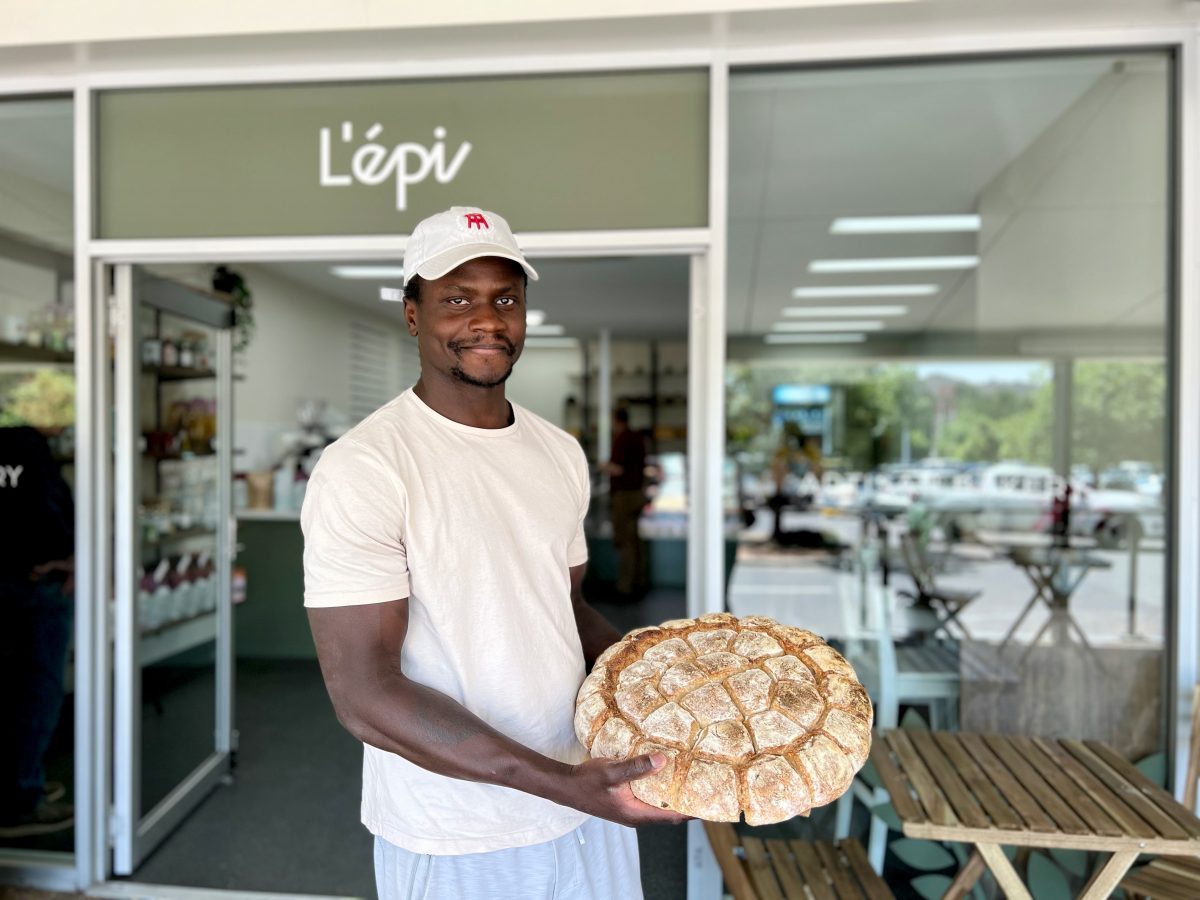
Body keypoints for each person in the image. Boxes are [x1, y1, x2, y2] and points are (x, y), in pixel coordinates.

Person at [302, 207, 686, 900]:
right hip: (459, 829)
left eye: (505, 298)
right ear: (414, 316)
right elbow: (362, 693)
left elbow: (561, 608)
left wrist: (668, 683)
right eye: (457, 299)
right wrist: (560, 784)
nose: (487, 318)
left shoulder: (558, 452)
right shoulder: (365, 466)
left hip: (588, 800)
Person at [0, 425, 75, 838]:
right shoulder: (22, 445)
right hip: (32, 584)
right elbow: (48, 510)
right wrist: (69, 557)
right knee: (35, 690)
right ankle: (19, 799)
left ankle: (16, 782)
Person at [601, 408, 647, 598]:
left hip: (624, 496)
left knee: (624, 541)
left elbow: (618, 469)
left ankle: (625, 586)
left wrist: (603, 466)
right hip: (637, 494)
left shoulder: (622, 440)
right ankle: (639, 580)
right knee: (635, 540)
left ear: (617, 421)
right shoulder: (638, 438)